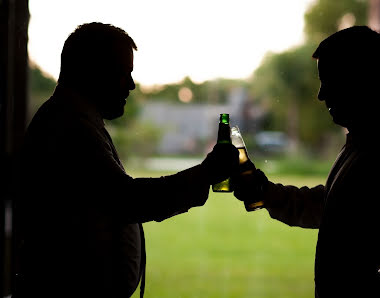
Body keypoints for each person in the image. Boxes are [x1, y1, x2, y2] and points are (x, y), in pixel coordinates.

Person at [18, 22, 239, 298]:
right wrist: (205, 174)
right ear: (93, 71)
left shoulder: (69, 119)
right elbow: (126, 200)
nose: (132, 85)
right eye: (124, 73)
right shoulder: (71, 126)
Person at [233, 26, 380, 298]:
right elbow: (334, 206)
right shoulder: (377, 139)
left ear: (363, 78)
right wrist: (263, 192)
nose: (321, 95)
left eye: (330, 80)